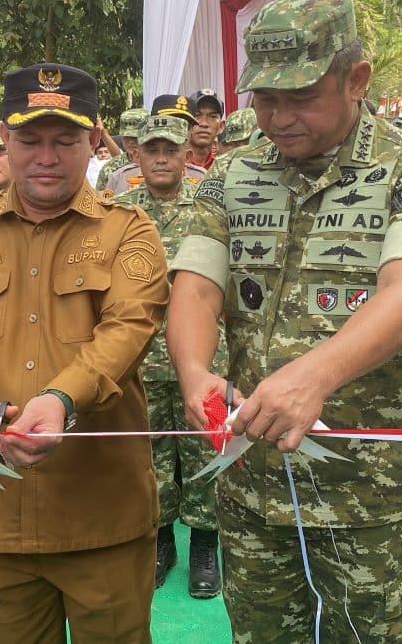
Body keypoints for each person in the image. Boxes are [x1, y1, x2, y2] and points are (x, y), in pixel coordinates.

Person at [165, 0, 402, 642]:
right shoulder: (231, 173)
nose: (276, 116)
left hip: (368, 490)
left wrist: (313, 376)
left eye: (299, 97)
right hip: (250, 484)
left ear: (357, 80)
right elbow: (195, 288)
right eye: (263, 98)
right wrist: (193, 372)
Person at [0, 62, 169, 642]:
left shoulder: (130, 229)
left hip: (101, 514)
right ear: (5, 139)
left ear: (93, 140)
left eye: (66, 140)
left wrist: (60, 399)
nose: (46, 157)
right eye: (29, 140)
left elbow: (129, 327)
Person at [115, 114, 227, 599]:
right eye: (151, 149)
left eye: (171, 149)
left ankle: (205, 547)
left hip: (200, 360)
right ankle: (161, 543)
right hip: (138, 360)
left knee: (205, 450)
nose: (161, 158)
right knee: (151, 457)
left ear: (188, 155)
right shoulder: (117, 213)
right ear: (135, 155)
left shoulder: (209, 211)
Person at [104, 95, 207, 195]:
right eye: (169, 121)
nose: (175, 129)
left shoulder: (203, 179)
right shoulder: (121, 178)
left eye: (185, 126)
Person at [94, 108, 147, 189]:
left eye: (135, 137)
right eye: (126, 137)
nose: (130, 142)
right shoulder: (109, 168)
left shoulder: (159, 164)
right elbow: (100, 199)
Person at [187, 89, 224, 170]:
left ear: (221, 126)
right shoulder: (174, 162)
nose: (204, 123)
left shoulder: (226, 165)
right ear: (186, 123)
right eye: (197, 115)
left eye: (213, 117)